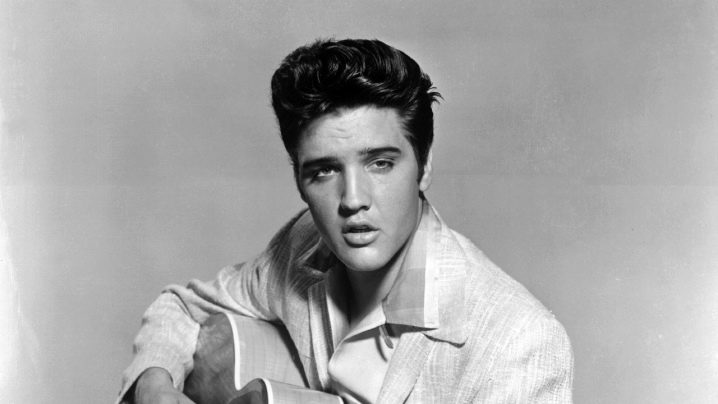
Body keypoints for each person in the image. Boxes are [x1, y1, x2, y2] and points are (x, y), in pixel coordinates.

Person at [118, 38, 574, 404]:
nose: (353, 200)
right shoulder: (302, 246)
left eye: (380, 163)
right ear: (299, 181)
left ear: (424, 166)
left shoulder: (517, 341)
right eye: (324, 171)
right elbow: (183, 308)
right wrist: (154, 384)